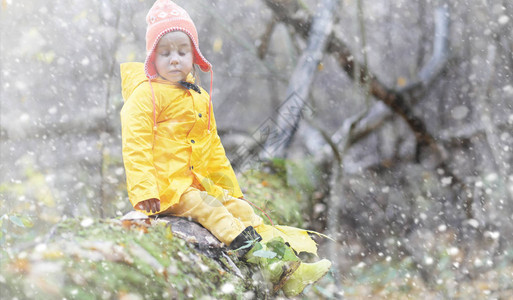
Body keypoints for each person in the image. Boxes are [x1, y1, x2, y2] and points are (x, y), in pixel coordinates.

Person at [120, 0, 331, 296]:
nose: (175, 60)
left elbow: (213, 148)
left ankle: (290, 265)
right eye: (165, 53)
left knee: (241, 209)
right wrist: (145, 192)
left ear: (194, 54)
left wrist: (228, 188)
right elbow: (136, 145)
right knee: (213, 211)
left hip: (196, 184)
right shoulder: (146, 96)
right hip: (168, 188)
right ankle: (265, 264)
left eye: (183, 51)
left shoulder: (199, 96)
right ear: (152, 58)